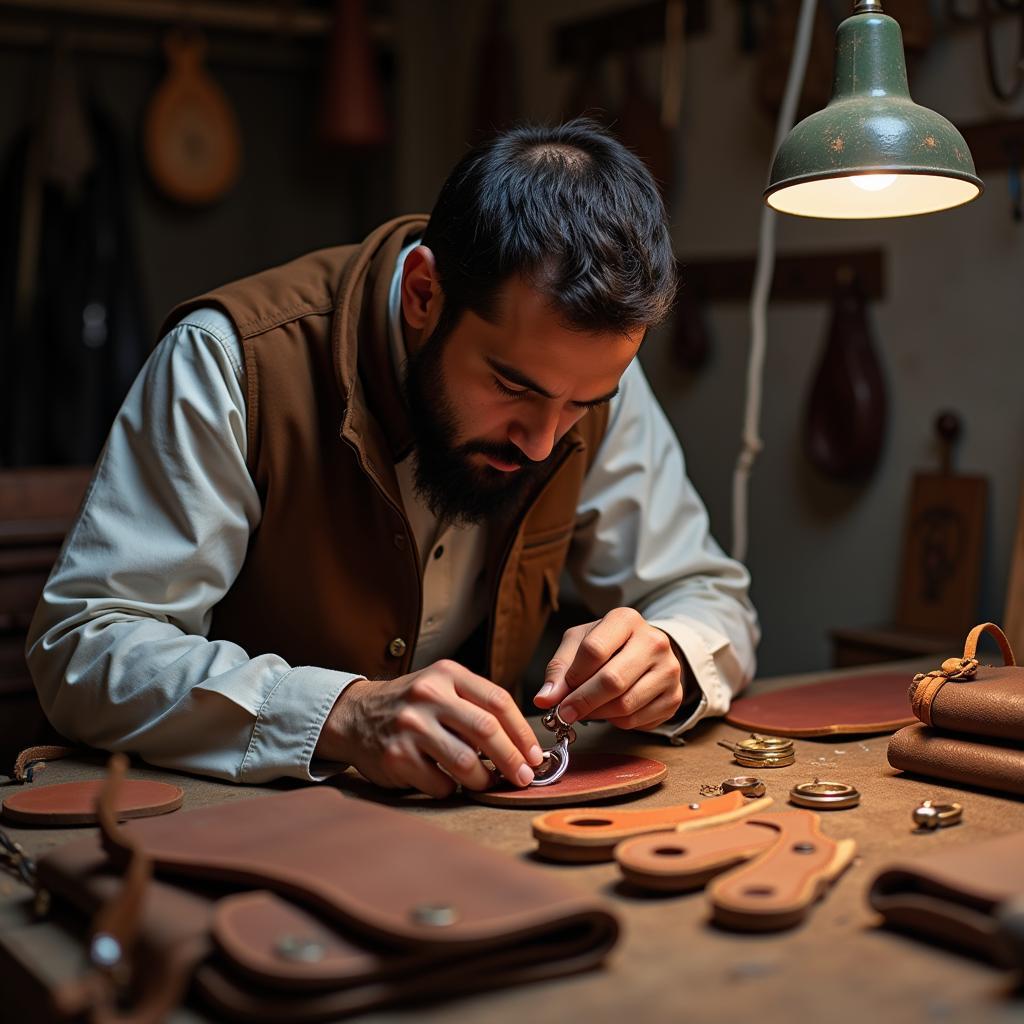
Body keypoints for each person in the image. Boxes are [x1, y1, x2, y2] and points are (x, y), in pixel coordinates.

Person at [27, 119, 758, 795]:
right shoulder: (230, 362)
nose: (543, 441)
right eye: (511, 387)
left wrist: (672, 651)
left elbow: (708, 595)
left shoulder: (585, 382)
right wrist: (342, 713)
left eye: (581, 406)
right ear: (423, 294)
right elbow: (85, 647)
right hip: (235, 831)